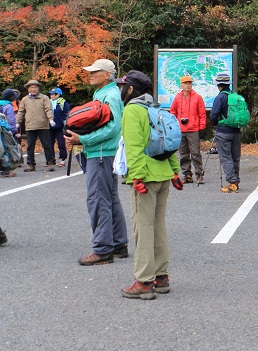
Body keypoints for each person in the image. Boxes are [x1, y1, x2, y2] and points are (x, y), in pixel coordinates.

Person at [117, 70, 183, 300]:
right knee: (158, 226)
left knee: (143, 228)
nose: (120, 90)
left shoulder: (132, 110)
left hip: (145, 177)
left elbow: (133, 147)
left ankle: (144, 282)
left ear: (131, 89)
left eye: (122, 86)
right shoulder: (155, 108)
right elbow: (169, 142)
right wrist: (175, 171)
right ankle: (162, 277)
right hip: (163, 174)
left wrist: (137, 176)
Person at [65, 58, 128, 266]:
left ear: (107, 75)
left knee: (98, 199)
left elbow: (112, 128)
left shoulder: (109, 95)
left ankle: (102, 249)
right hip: (103, 153)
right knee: (110, 197)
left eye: (95, 71)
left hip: (100, 153)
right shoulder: (104, 93)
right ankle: (118, 244)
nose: (90, 74)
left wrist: (82, 139)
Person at [169, 75, 207, 185]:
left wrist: (202, 128)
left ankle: (199, 174)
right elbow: (173, 112)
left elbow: (202, 114)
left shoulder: (197, 97)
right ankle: (187, 174)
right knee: (183, 153)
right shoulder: (177, 97)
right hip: (181, 129)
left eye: (189, 83)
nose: (188, 85)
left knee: (195, 153)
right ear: (181, 85)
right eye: (185, 83)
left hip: (193, 129)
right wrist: (174, 126)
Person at [209, 73, 242, 193]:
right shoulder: (235, 96)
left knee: (226, 157)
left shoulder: (220, 97)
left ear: (219, 85)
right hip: (236, 131)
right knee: (235, 157)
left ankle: (232, 183)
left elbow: (213, 114)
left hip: (223, 131)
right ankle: (236, 181)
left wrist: (216, 124)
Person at [16, 79, 55, 172]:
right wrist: (18, 122)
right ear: (28, 89)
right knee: (30, 146)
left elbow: (48, 109)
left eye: (35, 87)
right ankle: (30, 164)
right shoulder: (25, 99)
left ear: (38, 88)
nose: (33, 89)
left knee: (47, 145)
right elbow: (21, 112)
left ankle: (50, 162)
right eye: (31, 87)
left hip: (43, 125)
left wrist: (51, 119)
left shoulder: (44, 98)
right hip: (30, 126)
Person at [47, 88, 70, 167]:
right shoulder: (48, 102)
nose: (51, 95)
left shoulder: (63, 103)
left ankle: (63, 159)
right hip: (49, 127)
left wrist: (64, 123)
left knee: (61, 144)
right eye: (51, 94)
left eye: (53, 94)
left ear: (58, 94)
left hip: (60, 127)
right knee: (49, 144)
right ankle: (51, 160)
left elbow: (66, 114)